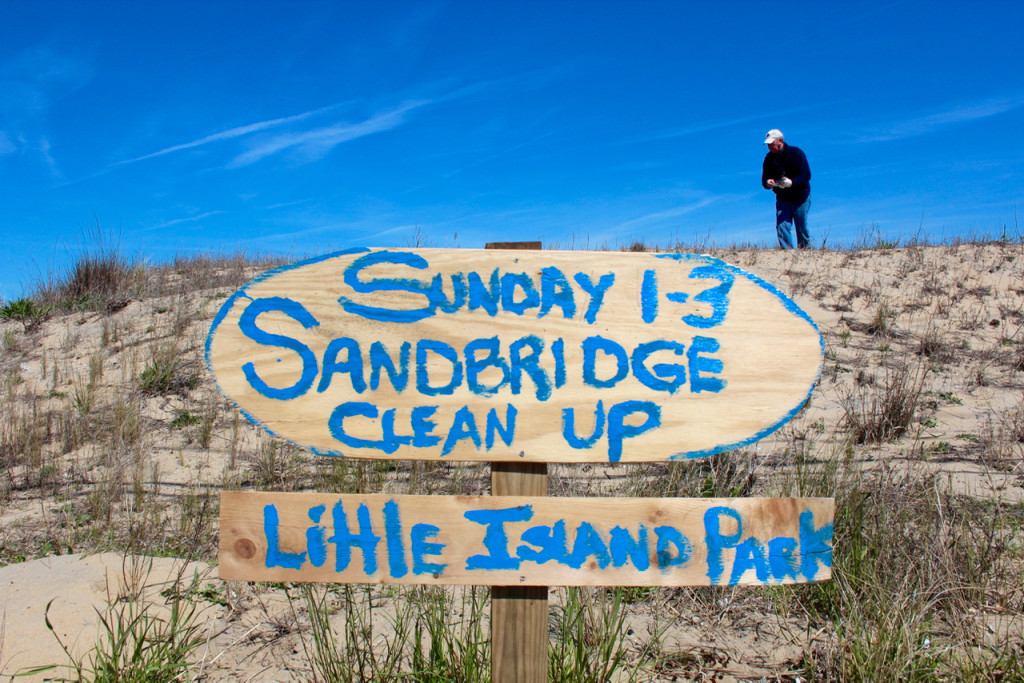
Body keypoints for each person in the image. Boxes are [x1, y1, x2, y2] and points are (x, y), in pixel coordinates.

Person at [761, 129, 812, 249]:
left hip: (801, 197)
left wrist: (792, 182)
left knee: (801, 228)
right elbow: (764, 180)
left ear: (780, 141)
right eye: (768, 144)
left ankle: (805, 252)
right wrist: (768, 183)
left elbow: (806, 175)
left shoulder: (796, 153)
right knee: (782, 226)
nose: (770, 147)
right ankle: (787, 253)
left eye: (772, 143)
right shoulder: (768, 159)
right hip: (783, 198)